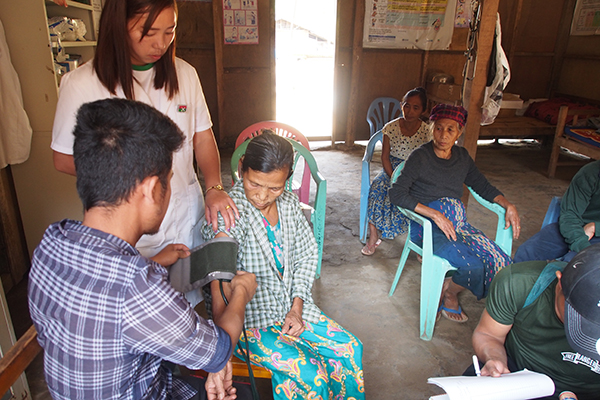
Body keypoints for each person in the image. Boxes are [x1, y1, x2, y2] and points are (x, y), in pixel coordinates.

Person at [28, 98, 257, 400]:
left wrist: (152, 263)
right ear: (151, 190)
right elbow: (220, 348)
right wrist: (241, 290)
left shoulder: (54, 241)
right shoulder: (137, 287)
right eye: (169, 181)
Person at [50, 0, 237, 262]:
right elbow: (63, 158)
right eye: (148, 33)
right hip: (127, 227)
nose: (161, 44)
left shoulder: (184, 74)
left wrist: (214, 186)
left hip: (184, 216)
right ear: (118, 26)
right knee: (135, 294)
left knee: (188, 294)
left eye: (169, 31)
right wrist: (130, 179)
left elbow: (202, 136)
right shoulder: (82, 84)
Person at [202, 132, 365, 400]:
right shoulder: (228, 213)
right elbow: (218, 285)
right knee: (311, 374)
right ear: (242, 167)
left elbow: (305, 255)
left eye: (275, 188)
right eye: (255, 183)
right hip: (249, 322)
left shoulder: (289, 204)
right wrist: (221, 350)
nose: (263, 196)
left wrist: (297, 308)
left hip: (291, 309)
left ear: (287, 179)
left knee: (349, 348)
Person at [389, 104, 520, 323]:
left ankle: (449, 289)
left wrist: (508, 204)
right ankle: (450, 294)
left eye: (451, 130)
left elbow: (482, 186)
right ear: (432, 129)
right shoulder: (420, 157)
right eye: (439, 128)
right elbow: (397, 194)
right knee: (472, 264)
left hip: (458, 226)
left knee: (499, 260)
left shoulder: (462, 157)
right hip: (427, 228)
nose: (443, 135)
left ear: (459, 132)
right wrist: (434, 214)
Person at [469, 245, 600, 399]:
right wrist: (495, 358)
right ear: (560, 282)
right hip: (516, 377)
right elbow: (488, 334)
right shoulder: (520, 284)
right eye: (580, 317)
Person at [361, 87, 432, 256]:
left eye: (416, 107)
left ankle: (418, 241)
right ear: (401, 105)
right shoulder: (390, 128)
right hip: (391, 168)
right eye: (407, 106)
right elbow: (385, 157)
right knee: (377, 189)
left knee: (422, 195)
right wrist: (394, 176)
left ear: (423, 110)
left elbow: (428, 159)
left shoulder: (426, 131)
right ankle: (373, 235)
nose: (410, 111)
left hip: (415, 170)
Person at [514, 160, 600, 263]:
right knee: (526, 253)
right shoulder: (591, 173)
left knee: (574, 266)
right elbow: (570, 214)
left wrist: (596, 227)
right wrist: (580, 243)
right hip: (574, 227)